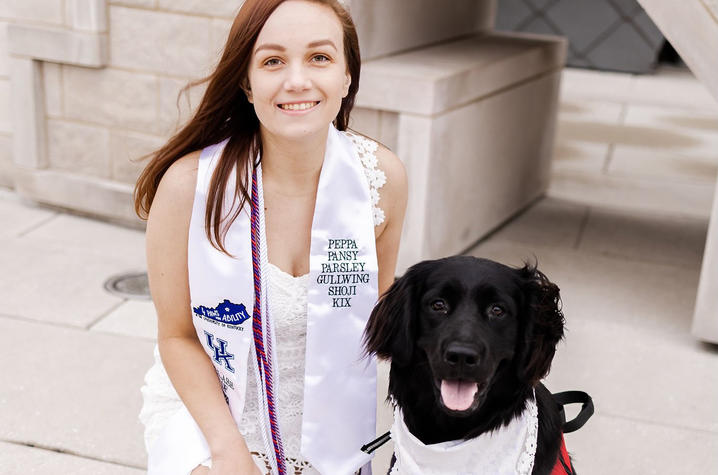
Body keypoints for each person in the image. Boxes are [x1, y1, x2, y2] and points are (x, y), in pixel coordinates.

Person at [132, 0, 407, 474]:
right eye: (273, 61)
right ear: (246, 81)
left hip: (328, 417)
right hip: (211, 408)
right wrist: (228, 450)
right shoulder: (189, 187)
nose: (297, 80)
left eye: (319, 58)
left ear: (346, 77)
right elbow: (177, 336)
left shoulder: (381, 179)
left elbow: (378, 326)